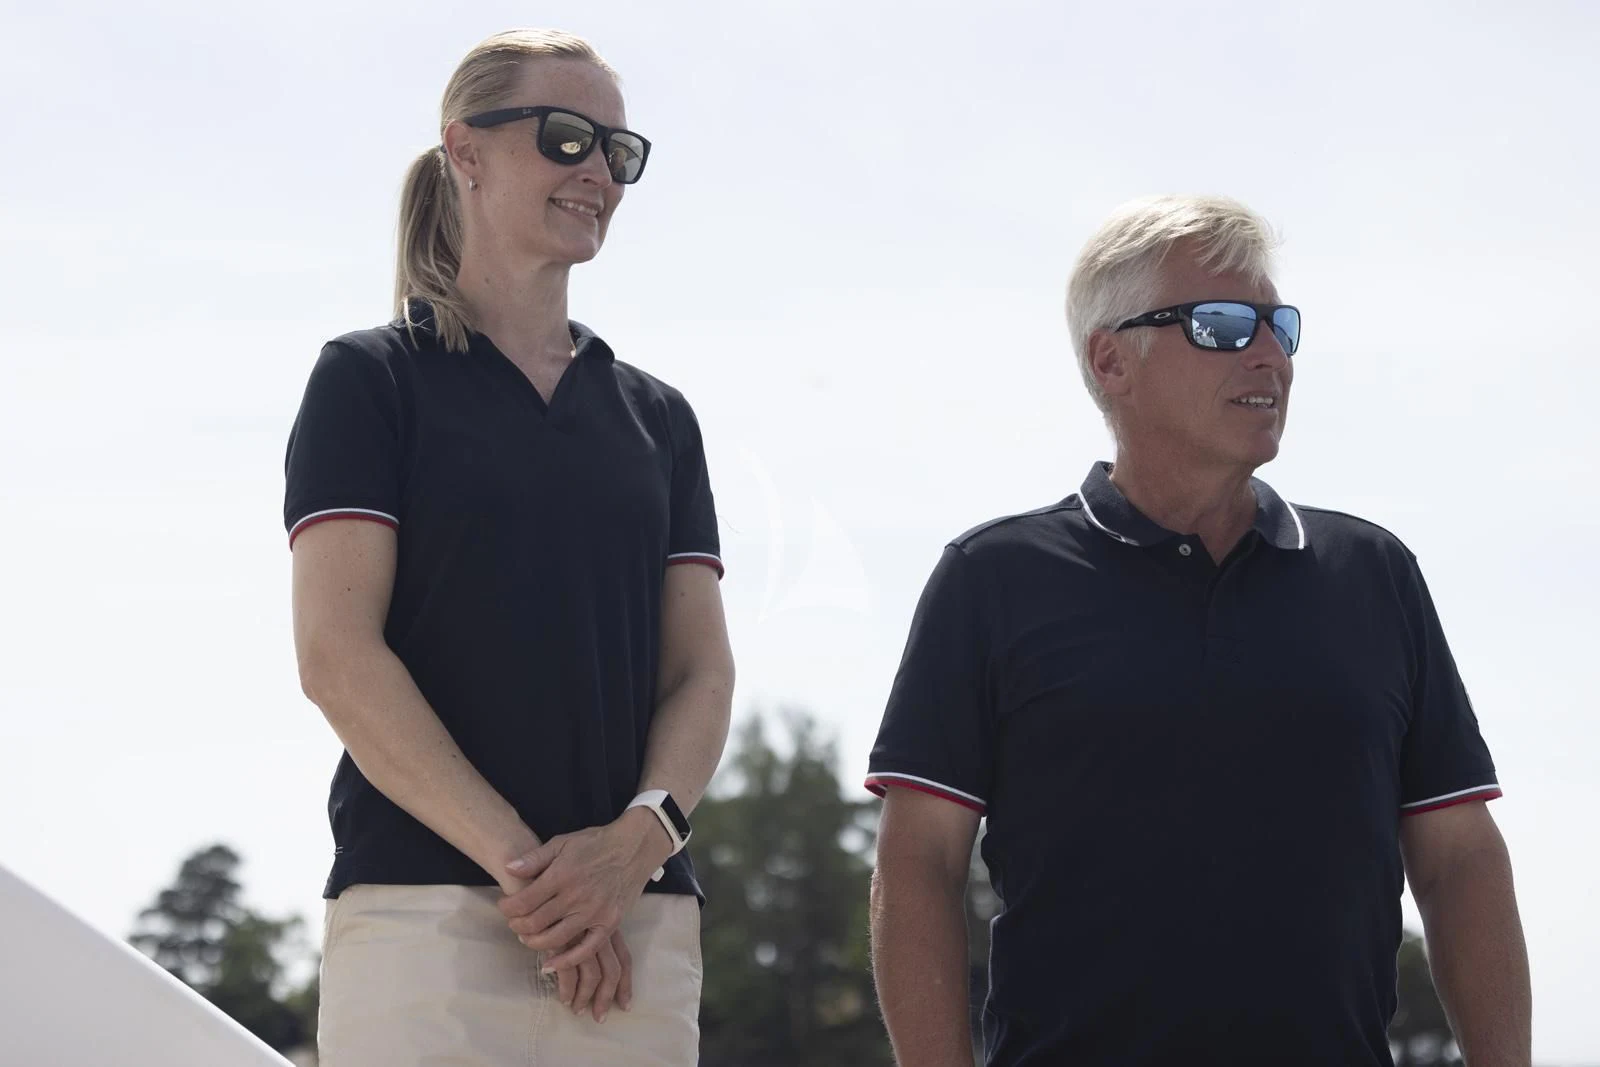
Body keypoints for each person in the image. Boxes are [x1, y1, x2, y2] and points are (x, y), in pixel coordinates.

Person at [864, 195, 1531, 1067]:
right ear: (1113, 359)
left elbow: (1459, 862)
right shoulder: (991, 578)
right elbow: (918, 864)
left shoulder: (1375, 575)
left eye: (1277, 325)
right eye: (1220, 324)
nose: (1268, 354)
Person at [284, 28, 734, 1066]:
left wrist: (634, 848)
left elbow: (701, 671)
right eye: (566, 138)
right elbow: (337, 658)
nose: (596, 173)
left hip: (638, 925)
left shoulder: (659, 419)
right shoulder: (370, 381)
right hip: (423, 919)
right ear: (467, 151)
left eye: (617, 152)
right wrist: (543, 880)